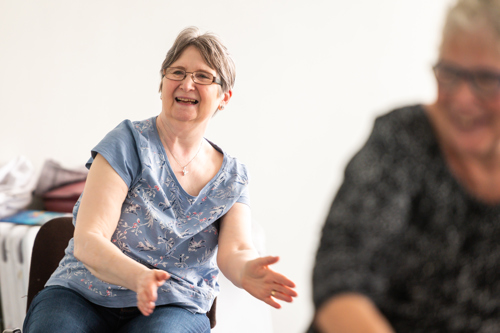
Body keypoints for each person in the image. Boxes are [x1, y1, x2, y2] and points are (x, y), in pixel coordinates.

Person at [23, 26, 297, 333]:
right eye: (177, 72)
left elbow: (236, 250)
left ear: (224, 97)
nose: (187, 83)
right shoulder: (126, 141)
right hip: (83, 293)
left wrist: (246, 271)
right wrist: (138, 277)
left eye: (203, 76)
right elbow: (89, 241)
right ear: (162, 83)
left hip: (175, 304)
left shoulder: (232, 177)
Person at [311, 0, 500, 332]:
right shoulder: (401, 139)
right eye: (450, 74)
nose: (462, 98)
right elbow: (340, 281)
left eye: (485, 79)